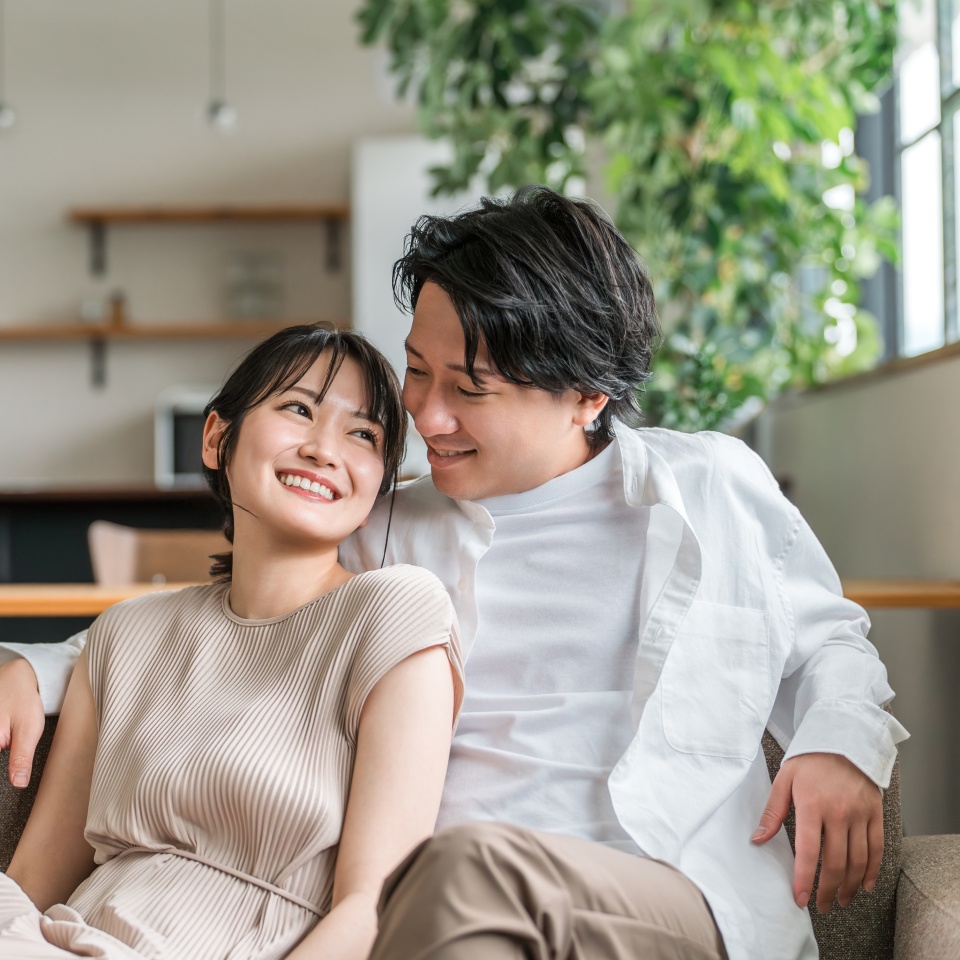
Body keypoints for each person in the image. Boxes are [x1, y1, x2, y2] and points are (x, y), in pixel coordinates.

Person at [0, 187, 906, 960]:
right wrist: (35, 669)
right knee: (448, 881)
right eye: (417, 370)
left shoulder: (708, 484)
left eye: (469, 389)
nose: (425, 417)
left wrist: (838, 745)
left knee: (465, 868)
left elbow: (829, 641)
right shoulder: (387, 522)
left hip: (662, 892)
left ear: (587, 395)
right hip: (439, 913)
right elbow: (219, 632)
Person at [0, 323, 464, 960]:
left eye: (363, 434)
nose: (325, 450)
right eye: (298, 409)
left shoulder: (395, 613)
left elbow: (374, 909)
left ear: (379, 483)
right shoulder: (123, 634)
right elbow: (29, 887)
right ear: (218, 438)